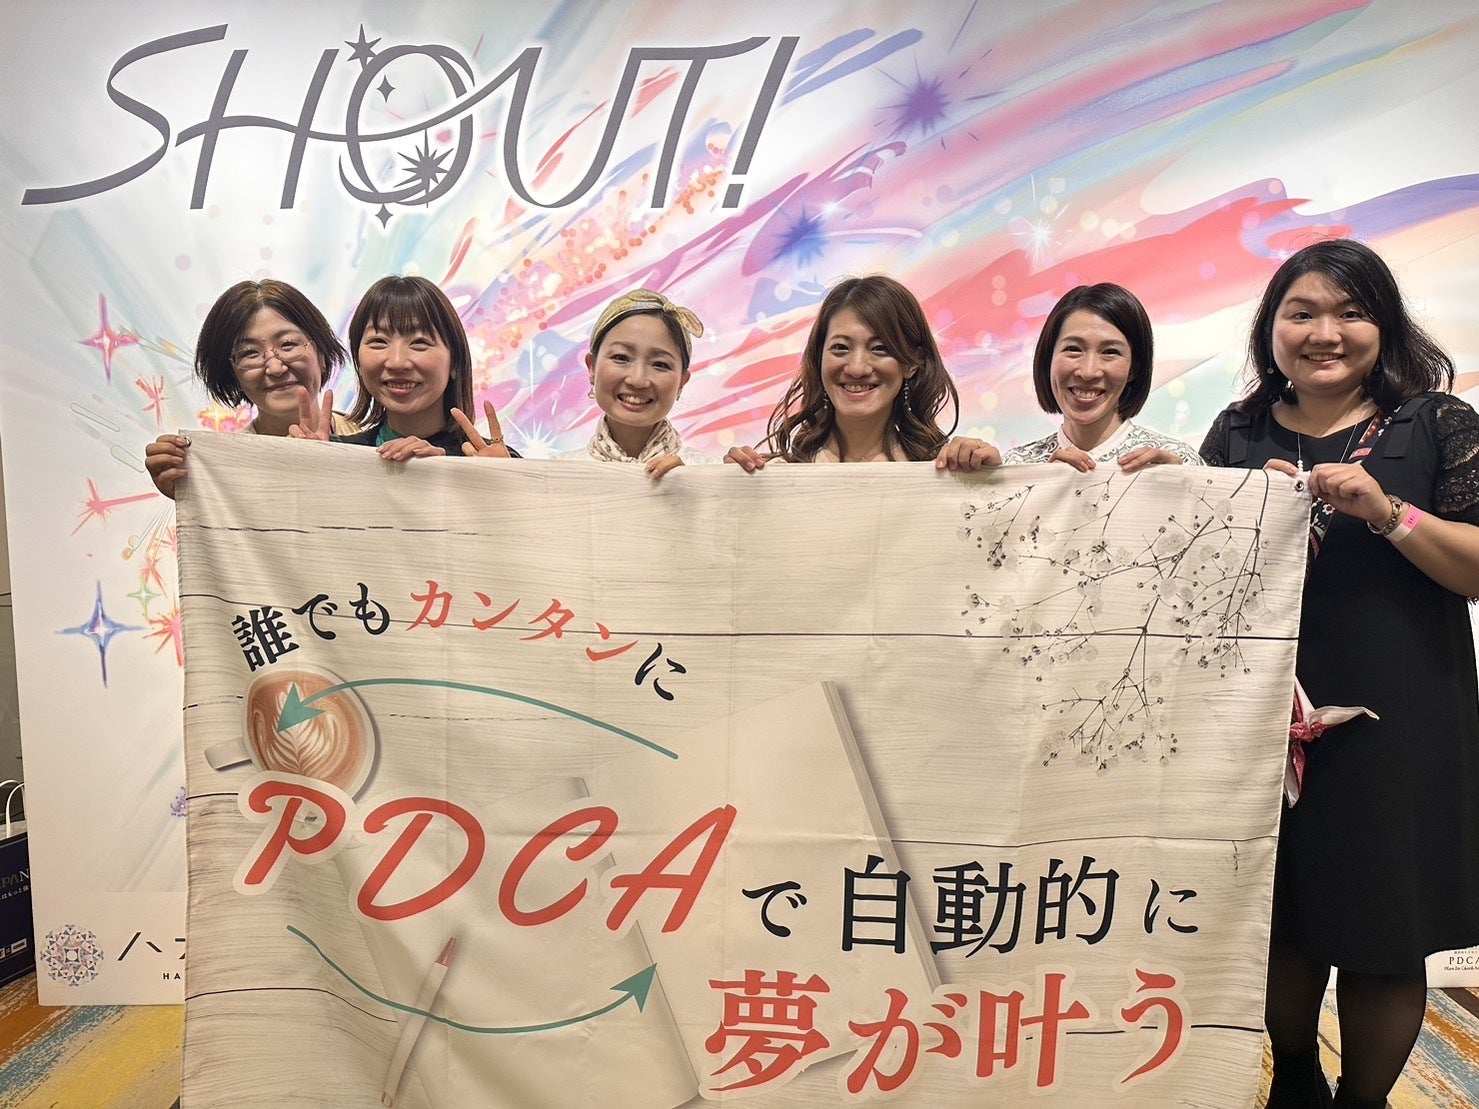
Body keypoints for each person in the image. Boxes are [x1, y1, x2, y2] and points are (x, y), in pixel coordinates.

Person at [1199, 238, 1479, 1108]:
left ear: (1383, 325)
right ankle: (1293, 1082)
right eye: (1302, 312)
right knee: (1278, 917)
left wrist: (1386, 511)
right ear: (1270, 327)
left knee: (1382, 929)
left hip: (1402, 718)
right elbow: (1191, 583)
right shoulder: (1236, 432)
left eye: (1349, 312)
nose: (1325, 332)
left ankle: (1362, 1100)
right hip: (1258, 720)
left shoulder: (1435, 422)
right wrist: (1233, 518)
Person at [723, 275, 999, 471]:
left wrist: (989, 482)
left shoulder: (944, 471)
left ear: (912, 362)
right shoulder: (780, 473)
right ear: (818, 358)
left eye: (880, 349)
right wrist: (726, 486)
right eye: (840, 348)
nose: (857, 368)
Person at [144, 279, 356, 497]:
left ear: (322, 355)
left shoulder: (373, 440)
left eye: (288, 344)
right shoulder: (224, 470)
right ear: (232, 374)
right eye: (250, 353)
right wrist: (192, 497)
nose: (275, 368)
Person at [293, 274, 513, 461]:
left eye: (419, 342)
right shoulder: (337, 456)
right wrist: (306, 471)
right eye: (379, 341)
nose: (397, 361)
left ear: (454, 360)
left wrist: (499, 483)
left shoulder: (492, 461)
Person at [1003, 283, 1200, 470]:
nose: (1088, 372)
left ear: (1134, 368)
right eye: (1073, 349)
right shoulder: (1013, 468)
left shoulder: (1178, 463)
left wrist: (1183, 488)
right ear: (1048, 360)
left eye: (1110, 352)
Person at [557, 288, 715, 477]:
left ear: (682, 382)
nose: (638, 380)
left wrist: (738, 481)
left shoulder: (711, 472)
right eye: (621, 358)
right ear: (592, 367)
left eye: (660, 364)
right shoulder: (555, 475)